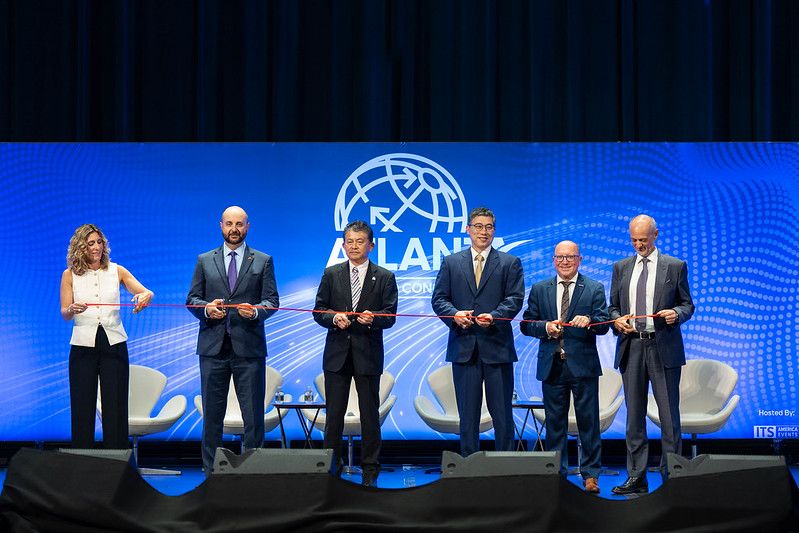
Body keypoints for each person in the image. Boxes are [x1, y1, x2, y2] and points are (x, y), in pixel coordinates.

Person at [187, 206, 279, 474]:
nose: (234, 229)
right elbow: (192, 300)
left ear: (248, 226)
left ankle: (251, 474)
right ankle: (211, 473)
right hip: (212, 348)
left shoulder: (262, 260)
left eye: (239, 224)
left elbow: (272, 302)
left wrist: (255, 312)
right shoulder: (205, 260)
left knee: (253, 419)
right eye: (229, 223)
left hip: (248, 349)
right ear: (220, 225)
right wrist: (206, 309)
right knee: (212, 419)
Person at [609, 214, 694, 495]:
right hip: (631, 346)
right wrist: (617, 319)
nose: (638, 245)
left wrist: (676, 314)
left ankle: (674, 476)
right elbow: (612, 308)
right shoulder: (621, 267)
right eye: (633, 240)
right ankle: (637, 477)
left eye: (643, 240)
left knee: (669, 416)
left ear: (656, 235)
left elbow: (687, 305)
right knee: (634, 416)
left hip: (663, 346)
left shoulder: (674, 266)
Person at [431, 207, 524, 456]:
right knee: (468, 416)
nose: (484, 232)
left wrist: (494, 316)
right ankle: (469, 468)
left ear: (494, 230)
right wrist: (454, 315)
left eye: (489, 227)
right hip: (464, 349)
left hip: (498, 348)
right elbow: (439, 299)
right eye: (479, 226)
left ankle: (505, 466)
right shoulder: (451, 262)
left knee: (502, 414)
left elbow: (515, 299)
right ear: (468, 229)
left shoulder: (509, 262)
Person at [519, 241, 609, 493]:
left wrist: (590, 321)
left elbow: (604, 324)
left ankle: (591, 475)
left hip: (583, 366)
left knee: (588, 424)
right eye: (560, 257)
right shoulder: (540, 289)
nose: (565, 261)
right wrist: (546, 327)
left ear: (580, 259)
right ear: (553, 260)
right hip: (552, 365)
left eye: (570, 257)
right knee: (554, 425)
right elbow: (527, 324)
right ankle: (556, 474)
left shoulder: (594, 288)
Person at [313, 220, 398, 487]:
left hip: (368, 354)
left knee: (370, 417)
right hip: (337, 355)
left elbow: (391, 316)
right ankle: (331, 470)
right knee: (334, 417)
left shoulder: (384, 276)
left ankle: (370, 471)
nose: (354, 246)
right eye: (349, 241)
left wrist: (372, 319)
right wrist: (333, 317)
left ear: (370, 245)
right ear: (343, 244)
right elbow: (318, 311)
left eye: (359, 241)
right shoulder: (331, 274)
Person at [60, 224, 153, 449]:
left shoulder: (117, 270)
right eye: (90, 243)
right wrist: (72, 309)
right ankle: (83, 460)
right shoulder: (69, 275)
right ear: (80, 247)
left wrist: (144, 297)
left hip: (113, 343)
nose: (96, 247)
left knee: (116, 404)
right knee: (83, 405)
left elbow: (144, 291)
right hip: (83, 346)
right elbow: (64, 313)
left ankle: (118, 461)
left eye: (99, 242)